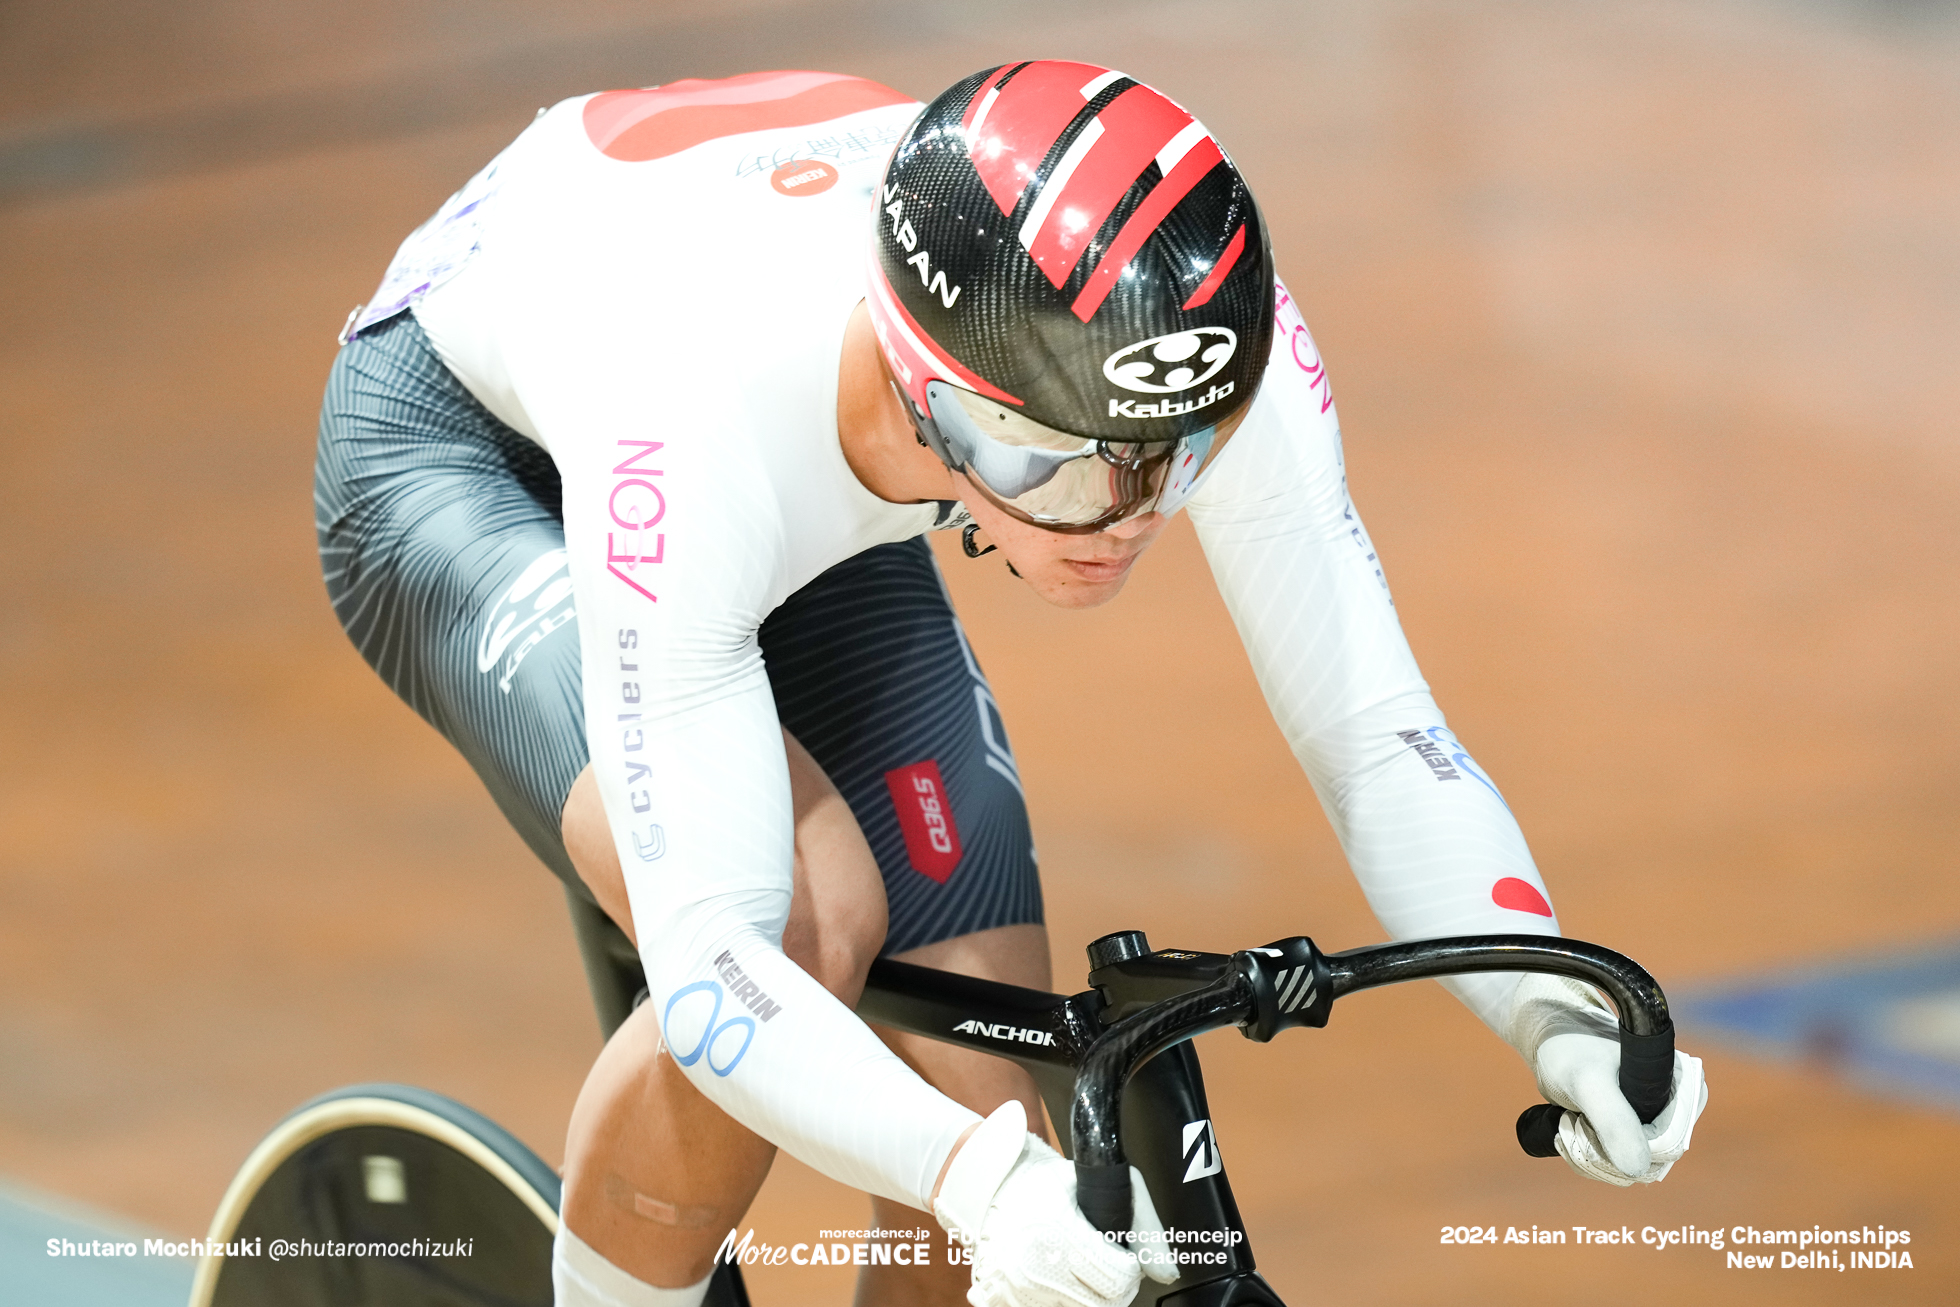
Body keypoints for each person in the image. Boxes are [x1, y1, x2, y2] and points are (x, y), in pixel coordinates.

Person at [316, 62, 1708, 1307]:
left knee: (987, 1089)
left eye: (1172, 463)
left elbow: (1374, 731)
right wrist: (975, 1185)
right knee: (806, 931)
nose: (1120, 521)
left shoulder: (1188, 337)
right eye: (1061, 468)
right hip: (482, 451)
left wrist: (1551, 1010)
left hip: (815, 477)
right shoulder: (700, 420)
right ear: (928, 382)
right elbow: (712, 975)